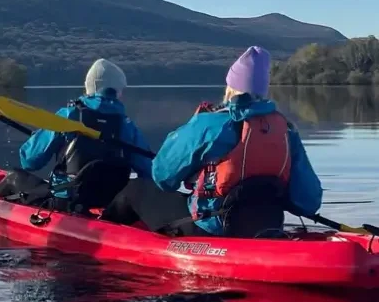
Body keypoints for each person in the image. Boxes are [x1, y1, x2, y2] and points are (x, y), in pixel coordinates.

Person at [100, 46, 323, 238]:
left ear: (230, 88)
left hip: (211, 228)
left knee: (136, 189)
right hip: (267, 226)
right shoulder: (286, 131)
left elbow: (162, 177)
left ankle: (99, 230)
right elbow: (308, 202)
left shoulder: (210, 124)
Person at [0, 58, 152, 211]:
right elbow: (149, 173)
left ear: (89, 87)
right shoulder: (127, 126)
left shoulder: (68, 115)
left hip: (65, 202)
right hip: (110, 204)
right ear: (118, 91)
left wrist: (39, 139)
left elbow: (30, 161)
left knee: (15, 176)